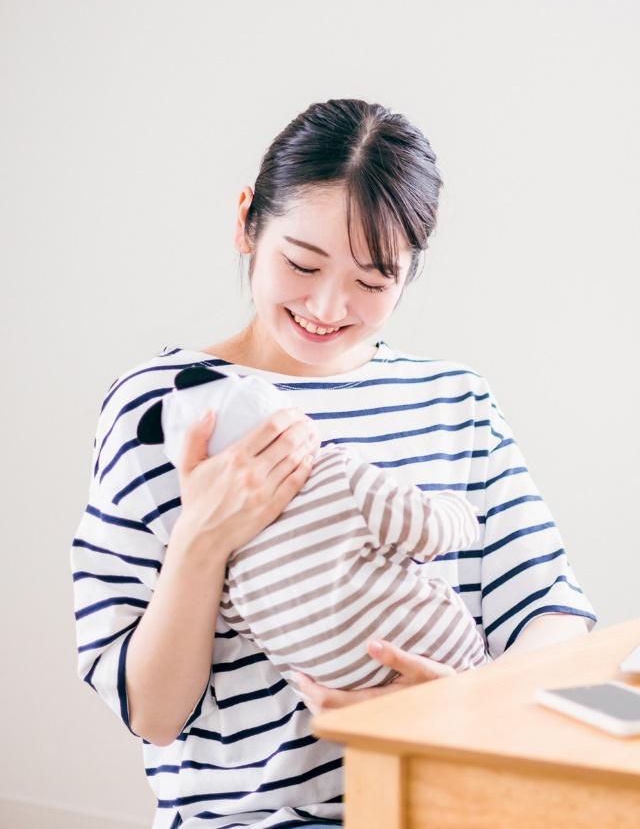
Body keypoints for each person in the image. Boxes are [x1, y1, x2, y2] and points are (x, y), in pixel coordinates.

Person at [70, 99, 597, 829]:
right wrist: (203, 540)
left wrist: (463, 703)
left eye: (372, 281)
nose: (327, 304)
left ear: (410, 273)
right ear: (247, 222)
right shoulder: (165, 409)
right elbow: (153, 715)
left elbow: (551, 611)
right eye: (301, 262)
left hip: (445, 803)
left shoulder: (454, 401)